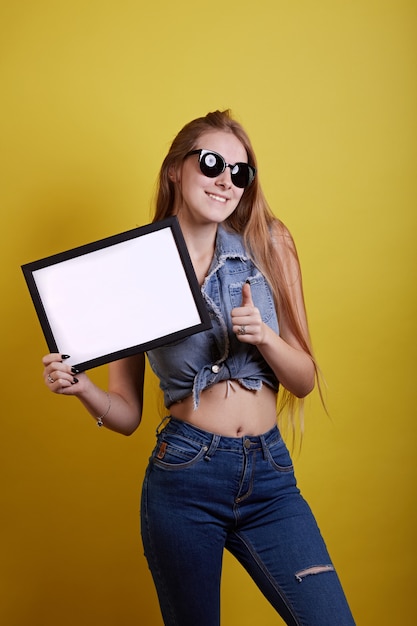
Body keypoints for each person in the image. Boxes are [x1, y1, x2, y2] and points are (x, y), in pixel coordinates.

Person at [42, 110, 355, 626]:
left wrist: (265, 338)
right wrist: (82, 389)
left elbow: (302, 379)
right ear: (175, 169)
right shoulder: (134, 268)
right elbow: (126, 415)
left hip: (271, 477)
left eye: (240, 171)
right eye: (211, 163)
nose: (225, 180)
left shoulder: (271, 245)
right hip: (185, 478)